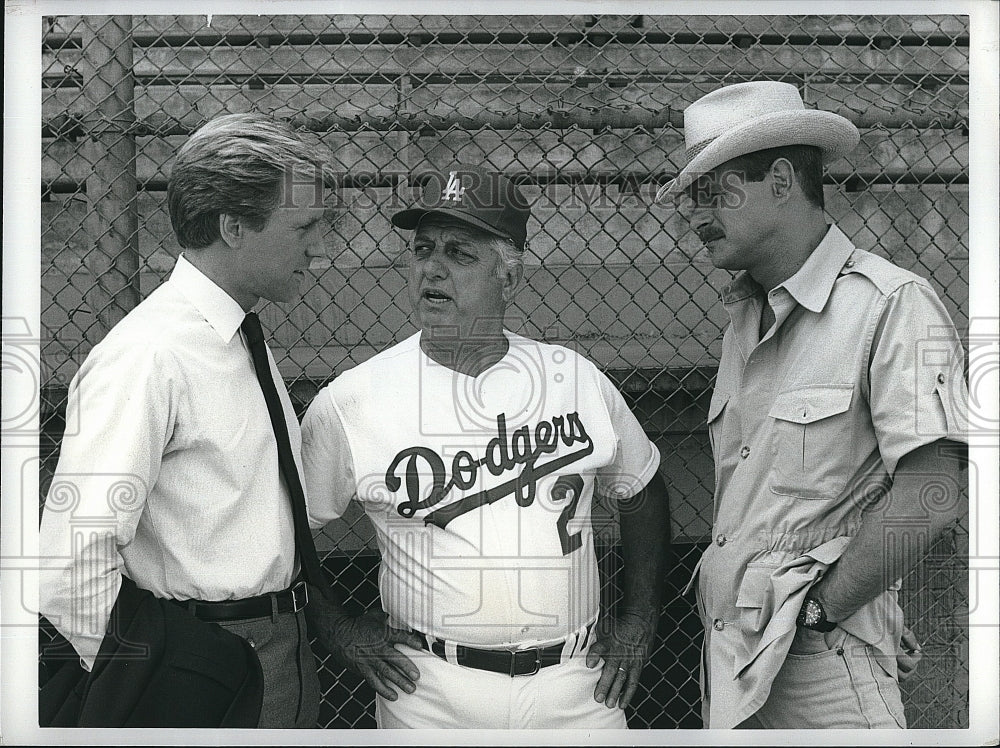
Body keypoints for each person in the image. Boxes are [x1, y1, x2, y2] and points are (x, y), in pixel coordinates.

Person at [301, 164, 671, 729]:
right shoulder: (351, 400)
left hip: (578, 686)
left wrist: (639, 619)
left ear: (508, 276)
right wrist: (334, 625)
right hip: (430, 689)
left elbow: (641, 487)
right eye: (423, 249)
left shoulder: (573, 377)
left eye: (459, 253)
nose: (433, 268)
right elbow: (289, 528)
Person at [658, 80, 968, 729]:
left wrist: (830, 609)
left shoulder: (890, 305)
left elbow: (933, 493)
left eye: (712, 191)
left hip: (820, 663)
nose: (693, 214)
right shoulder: (746, 318)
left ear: (778, 180)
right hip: (740, 661)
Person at [38, 113, 332, 728]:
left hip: (280, 653)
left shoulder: (235, 336)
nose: (318, 244)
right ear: (233, 228)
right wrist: (170, 667)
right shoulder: (150, 355)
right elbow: (70, 561)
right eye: (303, 225)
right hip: (210, 666)